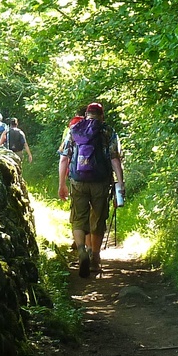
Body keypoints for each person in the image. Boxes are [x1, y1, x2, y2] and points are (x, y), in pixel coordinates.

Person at [58, 102, 126, 277]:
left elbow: (64, 159)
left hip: (78, 180)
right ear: (101, 115)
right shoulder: (107, 131)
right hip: (101, 182)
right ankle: (95, 259)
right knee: (98, 219)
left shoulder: (74, 130)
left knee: (79, 218)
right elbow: (114, 158)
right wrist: (120, 182)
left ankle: (81, 250)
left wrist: (62, 184)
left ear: (86, 114)